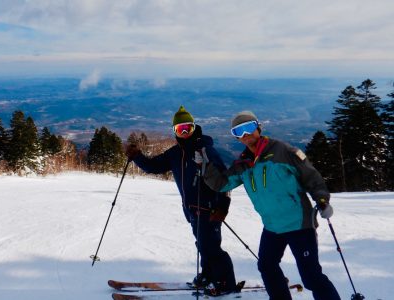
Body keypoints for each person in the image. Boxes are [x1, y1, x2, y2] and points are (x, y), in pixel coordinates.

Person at [201, 111, 341, 300]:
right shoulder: (244, 164)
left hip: (299, 224)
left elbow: (311, 177)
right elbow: (222, 184)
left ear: (258, 127)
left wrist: (322, 201)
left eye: (248, 128)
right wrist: (205, 165)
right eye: (238, 131)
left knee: (311, 277)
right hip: (272, 226)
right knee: (266, 266)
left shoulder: (283, 151)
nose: (245, 135)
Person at [125, 106, 238, 296]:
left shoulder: (206, 151)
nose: (185, 133)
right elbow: (154, 166)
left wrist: (223, 207)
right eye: (180, 129)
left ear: (195, 128)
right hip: (191, 209)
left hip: (210, 208)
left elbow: (224, 180)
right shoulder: (175, 153)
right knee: (202, 244)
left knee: (211, 247)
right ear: (175, 131)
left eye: (188, 128)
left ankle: (226, 283)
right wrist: (137, 157)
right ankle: (209, 275)